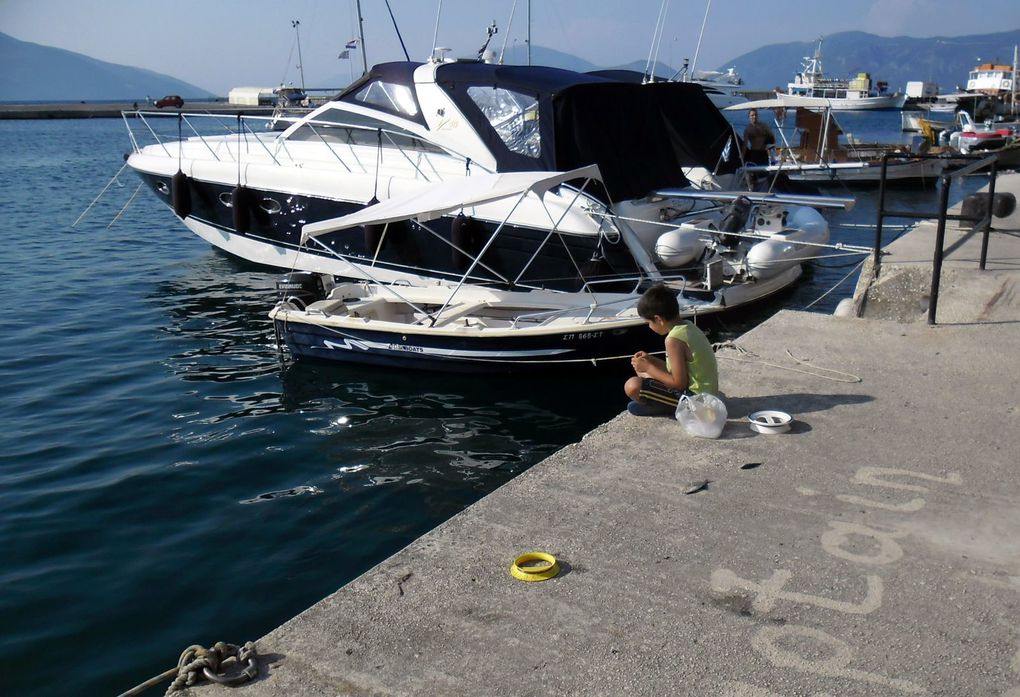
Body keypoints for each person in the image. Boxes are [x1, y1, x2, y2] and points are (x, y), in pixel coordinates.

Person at [624, 284, 719, 417]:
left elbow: (679, 384)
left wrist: (649, 368)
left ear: (658, 319)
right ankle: (660, 402)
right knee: (641, 369)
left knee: (632, 387)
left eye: (649, 323)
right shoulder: (688, 327)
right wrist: (651, 361)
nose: (649, 327)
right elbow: (678, 372)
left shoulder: (673, 340)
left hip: (696, 401)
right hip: (708, 395)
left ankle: (666, 407)